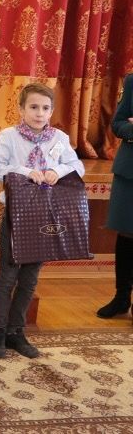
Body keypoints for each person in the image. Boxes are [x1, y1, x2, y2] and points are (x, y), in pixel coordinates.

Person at [0, 83, 85, 358]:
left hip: (44, 215)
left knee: (30, 278)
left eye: (45, 108)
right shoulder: (9, 136)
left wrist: (57, 170)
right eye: (33, 107)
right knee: (8, 276)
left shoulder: (59, 138)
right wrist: (25, 170)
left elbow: (77, 166)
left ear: (51, 111)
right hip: (16, 214)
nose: (39, 113)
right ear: (21, 109)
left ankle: (16, 332)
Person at [96, 73, 133, 321]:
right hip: (130, 172)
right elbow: (118, 124)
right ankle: (121, 297)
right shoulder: (132, 81)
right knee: (127, 233)